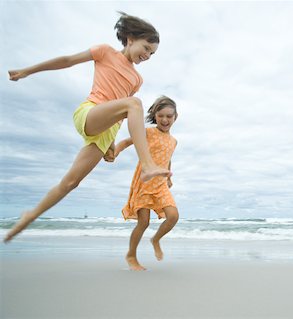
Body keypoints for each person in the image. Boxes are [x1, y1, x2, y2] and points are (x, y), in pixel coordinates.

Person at [4, 12, 170, 243]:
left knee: (71, 183)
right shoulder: (105, 52)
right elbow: (67, 60)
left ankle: (28, 217)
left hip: (106, 129)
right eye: (146, 48)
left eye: (152, 53)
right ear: (130, 38)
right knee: (135, 104)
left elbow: (122, 112)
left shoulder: (136, 79)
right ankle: (148, 166)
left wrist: (111, 142)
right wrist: (27, 71)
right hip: (90, 113)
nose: (148, 55)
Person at [115, 96, 179, 271]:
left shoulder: (174, 141)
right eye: (161, 116)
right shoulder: (148, 132)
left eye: (169, 116)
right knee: (143, 222)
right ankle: (131, 255)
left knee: (173, 216)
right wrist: (116, 152)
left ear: (175, 117)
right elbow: (126, 142)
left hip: (160, 184)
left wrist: (169, 178)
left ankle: (156, 239)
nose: (165, 120)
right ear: (155, 116)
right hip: (144, 182)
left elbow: (168, 160)